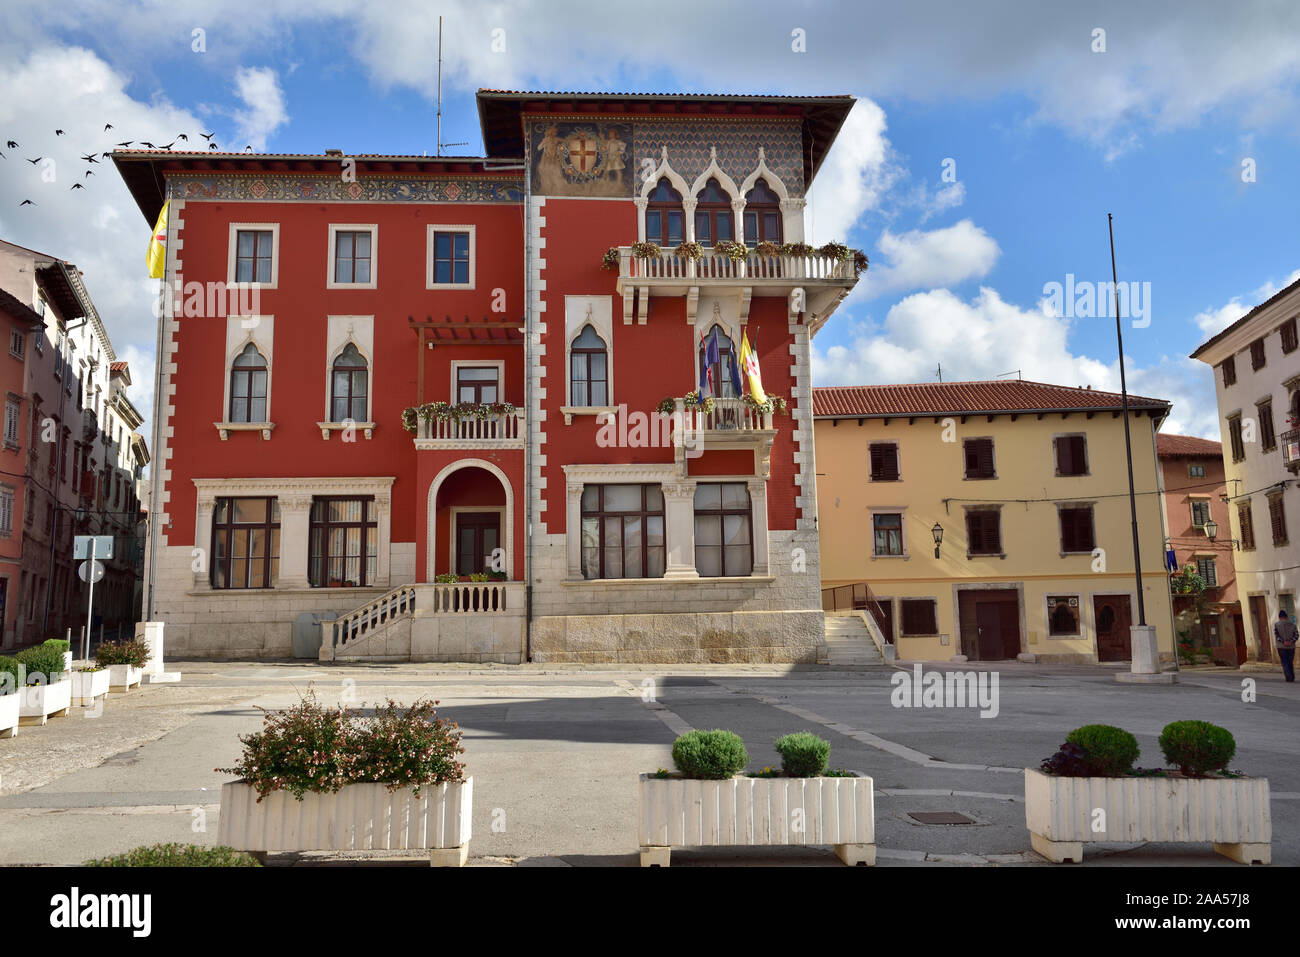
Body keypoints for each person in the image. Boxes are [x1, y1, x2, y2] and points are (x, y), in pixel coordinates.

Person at [1275, 610, 1298, 682]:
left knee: (1284, 662)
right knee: (1290, 662)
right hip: (1291, 647)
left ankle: (1288, 676)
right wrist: (1291, 641)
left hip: (1281, 647)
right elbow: (1296, 635)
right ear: (1286, 617)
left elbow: (1277, 635)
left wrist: (1283, 642)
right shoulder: (1293, 624)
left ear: (1279, 617)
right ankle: (1292, 677)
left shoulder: (1277, 625)